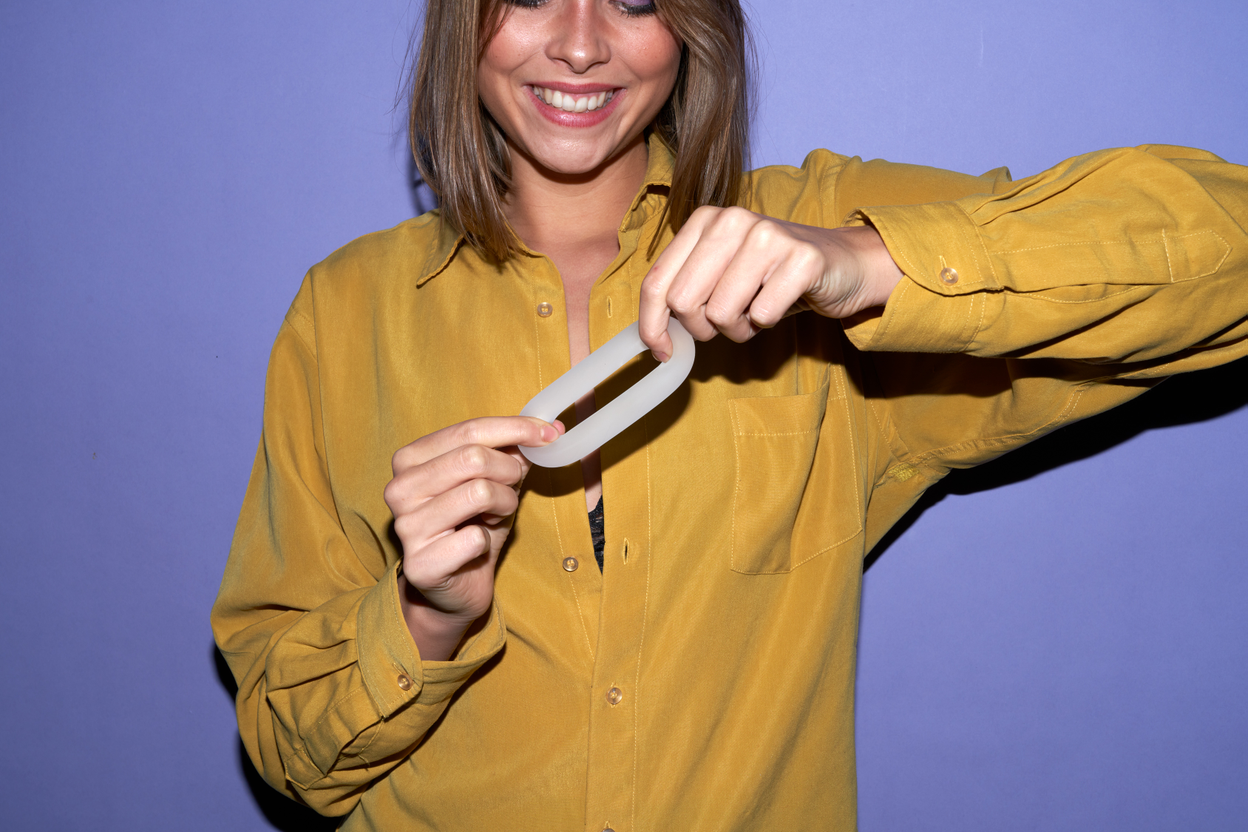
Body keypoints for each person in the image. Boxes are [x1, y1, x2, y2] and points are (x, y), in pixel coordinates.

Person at [211, 0, 1248, 829]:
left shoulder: (814, 226)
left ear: (691, 28)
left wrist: (870, 264)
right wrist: (424, 619)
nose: (578, 43)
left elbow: (1228, 248)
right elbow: (287, 750)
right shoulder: (344, 314)